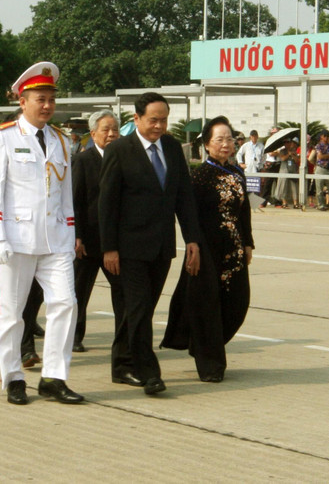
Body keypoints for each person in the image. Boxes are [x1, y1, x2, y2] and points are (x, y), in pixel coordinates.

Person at [0, 62, 83, 406]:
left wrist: (70, 237)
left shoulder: (60, 139)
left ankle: (54, 377)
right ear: (22, 101)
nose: (47, 106)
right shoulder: (4, 136)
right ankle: (13, 377)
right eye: (40, 99)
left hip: (55, 240)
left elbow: (65, 192)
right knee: (12, 313)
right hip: (16, 239)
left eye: (51, 100)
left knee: (65, 304)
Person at [99, 91, 201, 397]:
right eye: (153, 120)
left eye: (164, 120)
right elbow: (107, 203)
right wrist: (109, 247)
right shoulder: (119, 149)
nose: (159, 126)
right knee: (140, 309)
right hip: (128, 247)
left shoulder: (171, 147)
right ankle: (149, 372)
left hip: (161, 247)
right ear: (137, 119)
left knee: (138, 309)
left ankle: (121, 363)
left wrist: (192, 238)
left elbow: (184, 197)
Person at [161, 116, 252, 382]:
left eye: (229, 138)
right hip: (206, 251)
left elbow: (244, 212)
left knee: (237, 303)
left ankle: (201, 344)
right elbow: (190, 215)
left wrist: (247, 243)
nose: (226, 144)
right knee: (207, 307)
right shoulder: (200, 175)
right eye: (219, 139)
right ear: (207, 145)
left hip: (233, 251)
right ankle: (210, 362)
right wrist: (194, 247)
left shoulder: (237, 172)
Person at [72, 110, 123, 358]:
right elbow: (75, 201)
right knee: (79, 292)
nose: (112, 134)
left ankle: (124, 339)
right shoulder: (83, 161)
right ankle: (74, 336)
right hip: (88, 240)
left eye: (115, 129)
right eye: (106, 129)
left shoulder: (125, 159)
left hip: (116, 241)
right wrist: (76, 235)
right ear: (93, 134)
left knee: (122, 291)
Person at [312, 130, 329, 211]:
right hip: (320, 168)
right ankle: (320, 204)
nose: (326, 137)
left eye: (327, 136)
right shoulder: (318, 146)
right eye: (324, 136)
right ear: (321, 136)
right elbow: (320, 156)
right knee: (319, 189)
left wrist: (326, 156)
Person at [275, 138, 300, 208]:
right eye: (285, 142)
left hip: (292, 170)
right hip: (284, 169)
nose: (287, 144)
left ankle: (295, 203)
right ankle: (284, 202)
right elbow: (282, 158)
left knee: (294, 186)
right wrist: (288, 154)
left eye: (288, 142)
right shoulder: (282, 151)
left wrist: (293, 155)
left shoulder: (294, 151)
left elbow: (297, 160)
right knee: (283, 186)